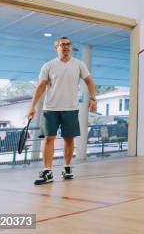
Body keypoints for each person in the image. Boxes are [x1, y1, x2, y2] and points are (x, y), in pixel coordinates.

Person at [27, 36, 96, 185]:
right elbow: (41, 86)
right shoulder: (49, 65)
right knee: (48, 139)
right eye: (62, 44)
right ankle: (48, 171)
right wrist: (32, 106)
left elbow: (89, 81)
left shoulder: (79, 64)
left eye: (68, 44)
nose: (66, 46)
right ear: (56, 48)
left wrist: (93, 98)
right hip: (50, 108)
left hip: (71, 109)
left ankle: (67, 167)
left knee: (69, 139)